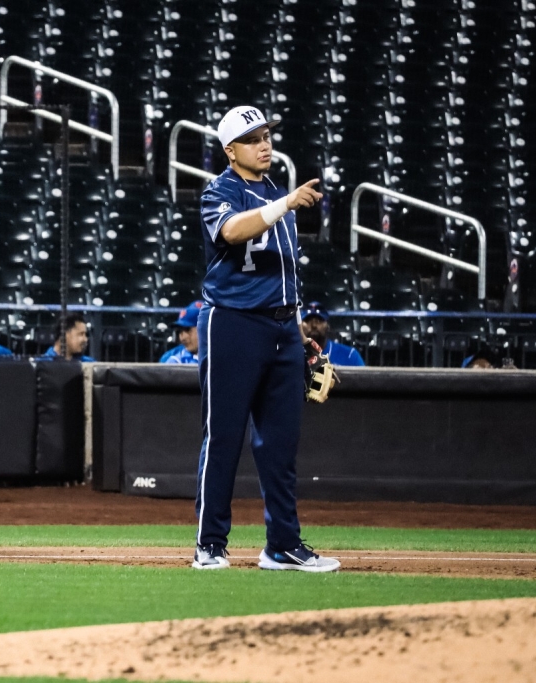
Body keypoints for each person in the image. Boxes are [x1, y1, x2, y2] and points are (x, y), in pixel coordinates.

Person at [190, 105, 339, 573]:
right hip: (232, 323)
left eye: (267, 134)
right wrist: (285, 204)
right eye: (253, 137)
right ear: (230, 149)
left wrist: (297, 330)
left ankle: (282, 545)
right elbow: (232, 231)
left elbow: (285, 270)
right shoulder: (221, 190)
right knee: (225, 438)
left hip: (280, 328)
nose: (265, 143)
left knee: (279, 443)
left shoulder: (279, 194)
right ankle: (209, 544)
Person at [299, 302, 364, 366]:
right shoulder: (292, 354)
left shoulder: (349, 355)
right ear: (300, 326)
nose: (314, 325)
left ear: (328, 326)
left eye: (319, 320)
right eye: (308, 321)